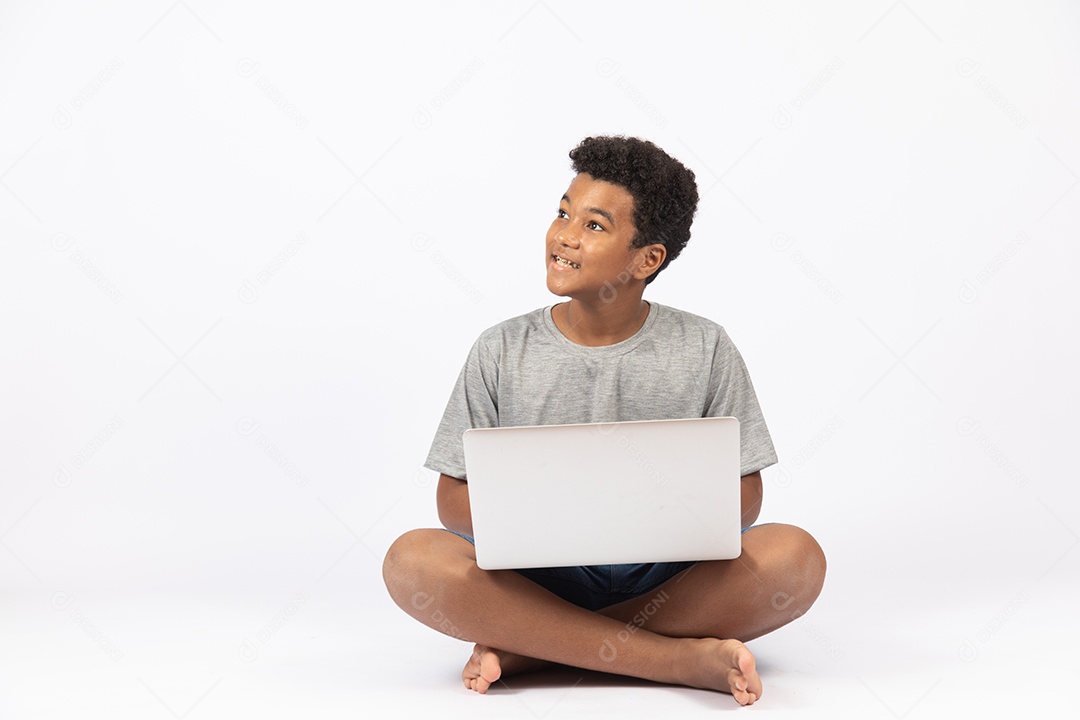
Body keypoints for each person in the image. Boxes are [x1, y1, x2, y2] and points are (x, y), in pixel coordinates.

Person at [382, 136, 826, 706]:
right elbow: (451, 500)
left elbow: (746, 496)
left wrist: (658, 514)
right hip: (537, 579)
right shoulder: (499, 349)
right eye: (563, 212)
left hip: (668, 580)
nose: (564, 235)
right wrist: (553, 513)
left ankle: (534, 648)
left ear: (647, 259)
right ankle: (672, 659)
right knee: (412, 560)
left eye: (593, 226)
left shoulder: (705, 346)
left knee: (796, 557)